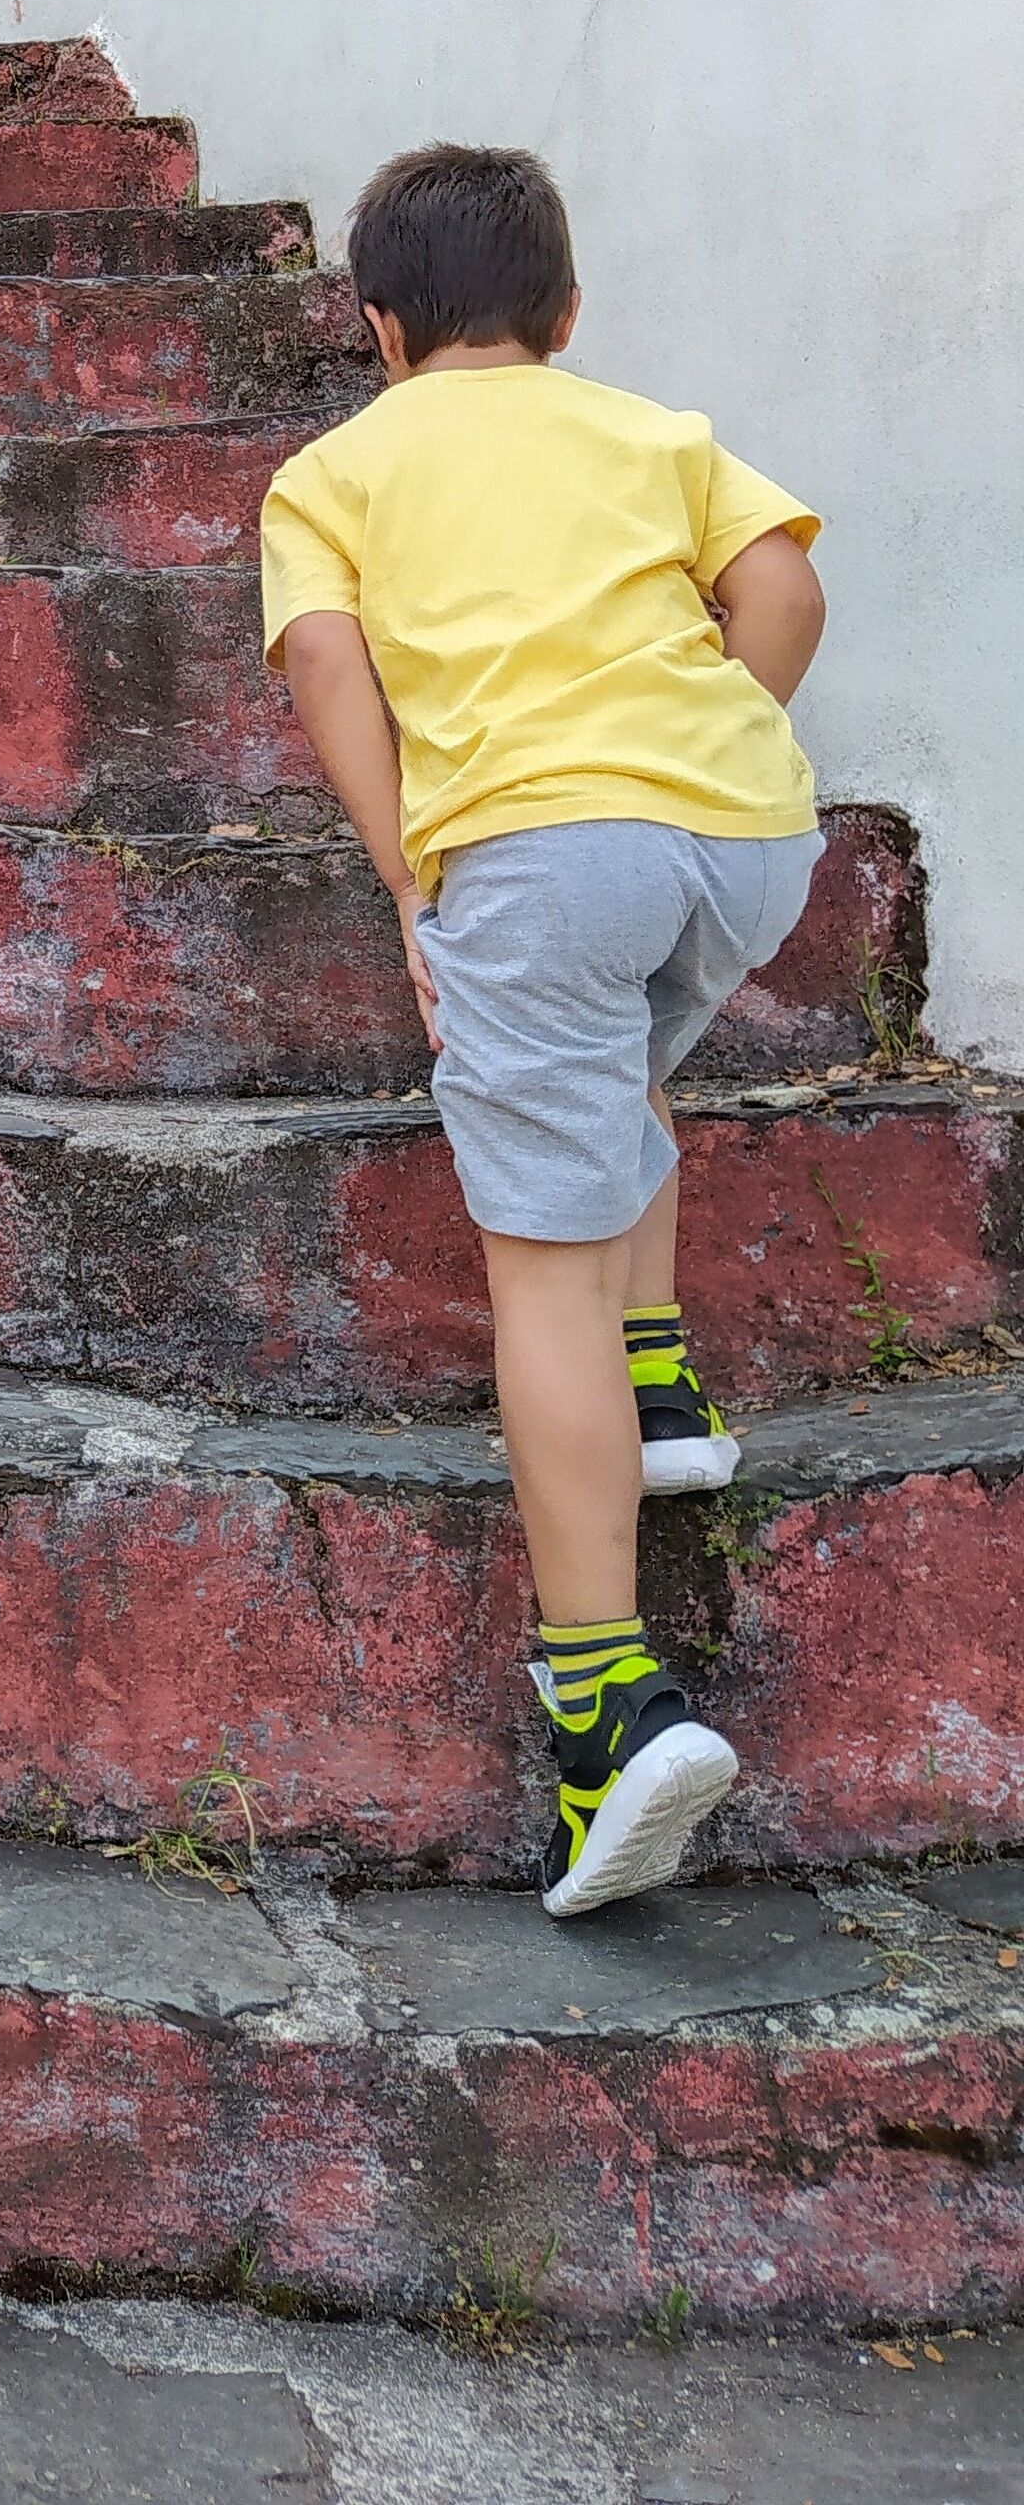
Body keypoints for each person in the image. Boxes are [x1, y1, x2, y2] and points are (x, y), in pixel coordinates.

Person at [260, 145, 827, 1918]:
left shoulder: (334, 471)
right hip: (750, 840)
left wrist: (412, 887)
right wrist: (707, 746)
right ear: (566, 314)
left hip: (539, 850)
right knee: (617, 1073)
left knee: (539, 1266)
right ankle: (661, 1378)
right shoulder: (650, 427)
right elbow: (788, 595)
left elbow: (334, 679)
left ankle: (609, 1704)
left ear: (377, 330)